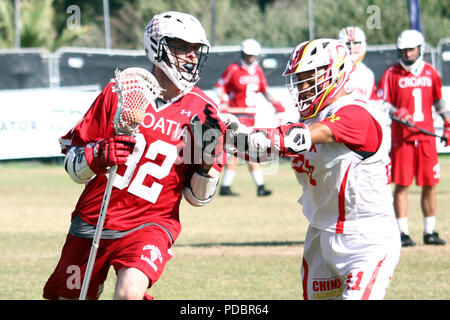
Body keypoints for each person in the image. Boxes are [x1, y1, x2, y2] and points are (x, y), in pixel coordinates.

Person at [43, 11, 227, 300]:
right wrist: (100, 155)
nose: (191, 57)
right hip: (96, 218)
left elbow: (198, 198)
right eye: (182, 47)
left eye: (195, 49)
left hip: (152, 222)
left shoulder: (204, 111)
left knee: (129, 294)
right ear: (157, 46)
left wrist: (205, 164)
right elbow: (72, 165)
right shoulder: (121, 92)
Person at [227, 39, 401, 299]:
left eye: (310, 79)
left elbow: (302, 136)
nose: (303, 88)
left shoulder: (356, 113)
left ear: (336, 73)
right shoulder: (308, 119)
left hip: (366, 238)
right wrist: (227, 135)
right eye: (299, 80)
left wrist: (259, 135)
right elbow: (268, 149)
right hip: (320, 234)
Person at [377, 29, 449, 247]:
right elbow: (383, 103)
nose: (407, 54)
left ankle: (429, 231)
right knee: (402, 185)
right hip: (403, 139)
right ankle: (402, 232)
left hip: (426, 138)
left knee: (430, 185)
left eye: (410, 50)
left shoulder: (431, 73)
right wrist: (397, 112)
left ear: (420, 49)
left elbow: (439, 102)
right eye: (403, 51)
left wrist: (447, 122)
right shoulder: (392, 73)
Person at [214, 38, 285, 196]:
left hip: (250, 116)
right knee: (246, 149)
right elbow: (220, 86)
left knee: (240, 150)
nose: (250, 59)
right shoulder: (233, 69)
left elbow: (264, 89)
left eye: (253, 56)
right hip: (235, 115)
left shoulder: (258, 71)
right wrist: (224, 101)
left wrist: (275, 102)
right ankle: (258, 187)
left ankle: (226, 187)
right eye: (247, 55)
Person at [338, 26, 377, 100]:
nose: (352, 49)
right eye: (347, 45)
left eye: (355, 44)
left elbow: (372, 102)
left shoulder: (368, 74)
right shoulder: (334, 72)